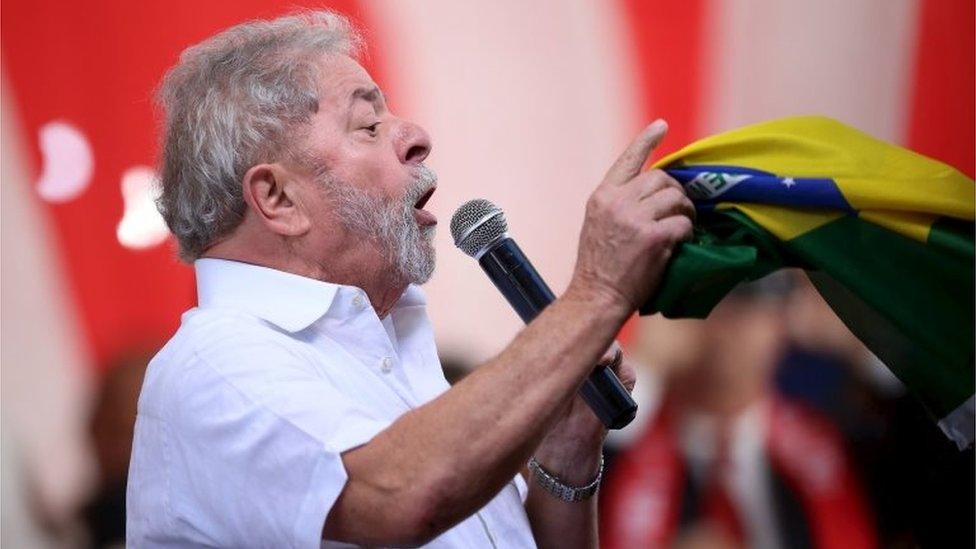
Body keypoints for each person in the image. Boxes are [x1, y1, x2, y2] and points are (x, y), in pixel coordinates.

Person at [126, 10, 695, 548]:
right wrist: (596, 293)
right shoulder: (213, 368)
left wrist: (563, 462)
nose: (418, 136)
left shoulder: (391, 346)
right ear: (277, 198)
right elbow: (397, 497)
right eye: (368, 124)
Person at [600, 276, 877, 549]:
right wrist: (646, 367)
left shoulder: (841, 440)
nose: (730, 323)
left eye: (752, 303)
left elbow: (915, 453)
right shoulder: (616, 450)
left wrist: (863, 341)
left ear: (785, 320)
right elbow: (580, 462)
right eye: (710, 302)